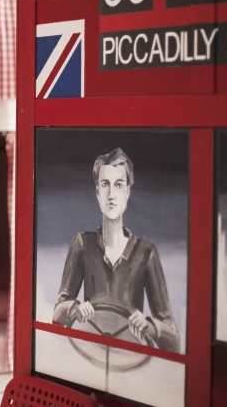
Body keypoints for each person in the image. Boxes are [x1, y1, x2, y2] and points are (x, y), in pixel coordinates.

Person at [53, 148, 180, 352]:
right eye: (105, 184)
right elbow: (57, 316)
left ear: (127, 192)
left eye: (119, 185)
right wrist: (75, 309)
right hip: (88, 354)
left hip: (130, 360)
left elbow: (173, 342)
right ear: (97, 192)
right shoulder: (82, 243)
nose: (111, 194)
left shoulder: (146, 253)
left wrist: (149, 326)